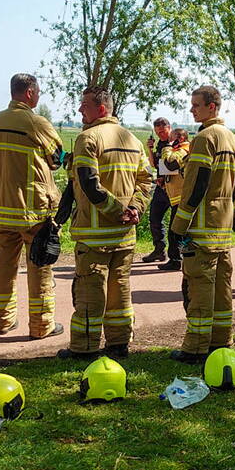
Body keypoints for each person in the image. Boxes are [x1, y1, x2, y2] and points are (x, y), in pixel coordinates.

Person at [57, 86, 153, 360]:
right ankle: (119, 344)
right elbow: (145, 180)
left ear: (101, 109)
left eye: (84, 105)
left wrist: (117, 210)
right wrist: (134, 208)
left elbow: (88, 183)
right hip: (125, 235)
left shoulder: (88, 139)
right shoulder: (133, 140)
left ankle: (84, 347)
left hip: (95, 234)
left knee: (90, 291)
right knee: (120, 290)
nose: (79, 110)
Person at [0, 73, 65, 340]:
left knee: (3, 266)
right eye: (38, 91)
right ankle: (42, 325)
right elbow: (57, 158)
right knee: (39, 265)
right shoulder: (36, 122)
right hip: (32, 209)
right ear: (29, 92)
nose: (39, 95)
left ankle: (1, 321)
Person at [169, 85, 235, 364]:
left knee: (199, 285)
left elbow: (197, 184)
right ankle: (221, 342)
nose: (192, 109)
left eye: (196, 105)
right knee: (222, 287)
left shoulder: (205, 138)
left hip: (200, 226)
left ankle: (195, 348)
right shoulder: (231, 138)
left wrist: (179, 225)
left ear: (212, 106)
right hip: (222, 225)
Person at [155, 127, 193, 271]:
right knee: (176, 230)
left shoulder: (184, 150)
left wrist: (167, 147)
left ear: (180, 138)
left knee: (175, 231)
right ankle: (178, 258)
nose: (169, 140)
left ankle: (177, 259)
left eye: (172, 138)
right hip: (176, 197)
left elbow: (171, 163)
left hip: (181, 197)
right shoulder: (177, 151)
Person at [144, 117, 179, 268]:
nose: (161, 135)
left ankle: (177, 256)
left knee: (175, 225)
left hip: (174, 188)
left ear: (169, 128)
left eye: (163, 132)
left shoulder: (177, 143)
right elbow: (153, 164)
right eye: (158, 133)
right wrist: (150, 149)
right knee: (154, 218)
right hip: (161, 187)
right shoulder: (160, 144)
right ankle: (159, 249)